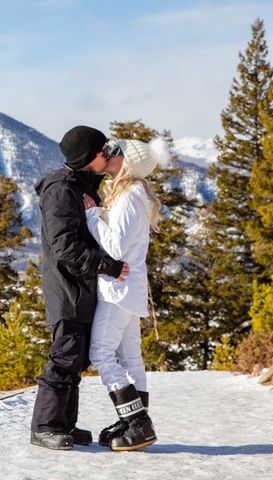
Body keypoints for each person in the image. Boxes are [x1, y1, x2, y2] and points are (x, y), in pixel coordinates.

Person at [30, 125, 128, 450]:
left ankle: (64, 425)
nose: (108, 154)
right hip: (67, 289)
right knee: (64, 356)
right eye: (104, 150)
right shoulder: (60, 190)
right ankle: (45, 426)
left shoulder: (82, 187)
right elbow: (65, 247)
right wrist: (107, 266)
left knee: (76, 360)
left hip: (81, 288)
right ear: (90, 156)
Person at [82, 138, 170, 451]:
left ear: (129, 162)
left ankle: (138, 424)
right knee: (131, 357)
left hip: (118, 290)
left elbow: (116, 248)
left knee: (102, 355)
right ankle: (133, 421)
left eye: (117, 152)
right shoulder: (136, 193)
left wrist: (92, 216)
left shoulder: (130, 195)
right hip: (130, 289)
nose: (110, 154)